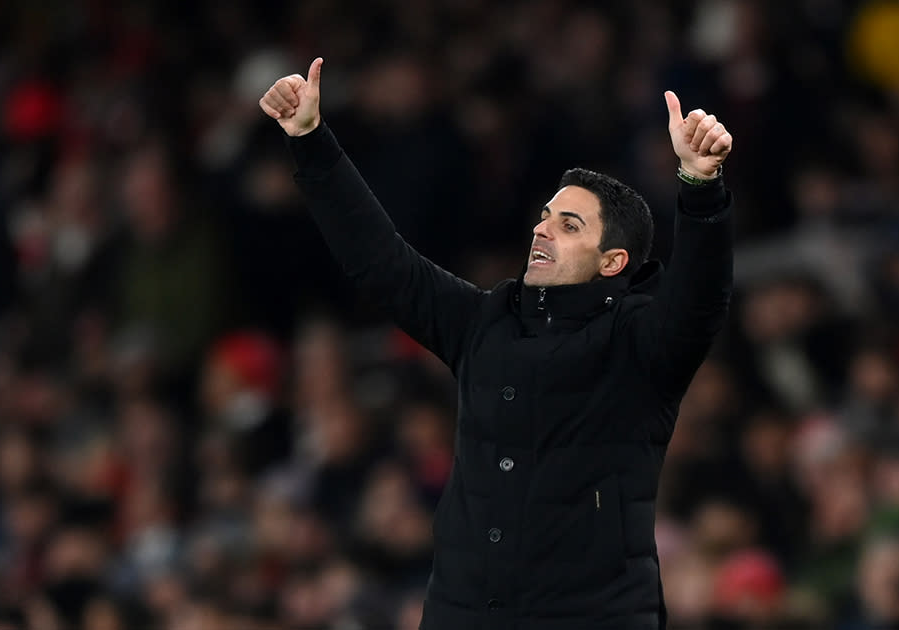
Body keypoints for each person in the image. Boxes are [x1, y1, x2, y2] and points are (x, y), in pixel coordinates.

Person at [259, 58, 734, 630]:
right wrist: (311, 140)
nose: (542, 229)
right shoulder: (485, 320)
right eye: (545, 216)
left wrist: (700, 187)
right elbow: (380, 261)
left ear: (613, 262)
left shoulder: (641, 340)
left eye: (570, 226)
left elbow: (700, 303)